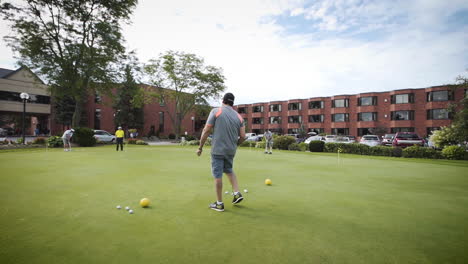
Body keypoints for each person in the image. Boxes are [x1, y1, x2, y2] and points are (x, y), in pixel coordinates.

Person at [197, 93, 246, 212]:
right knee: (229, 170)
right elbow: (243, 136)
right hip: (231, 150)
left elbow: (207, 130)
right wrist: (235, 145)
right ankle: (237, 193)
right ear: (232, 103)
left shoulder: (216, 111)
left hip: (217, 150)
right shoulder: (239, 117)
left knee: (217, 175)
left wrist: (200, 147)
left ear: (223, 100)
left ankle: (219, 204)